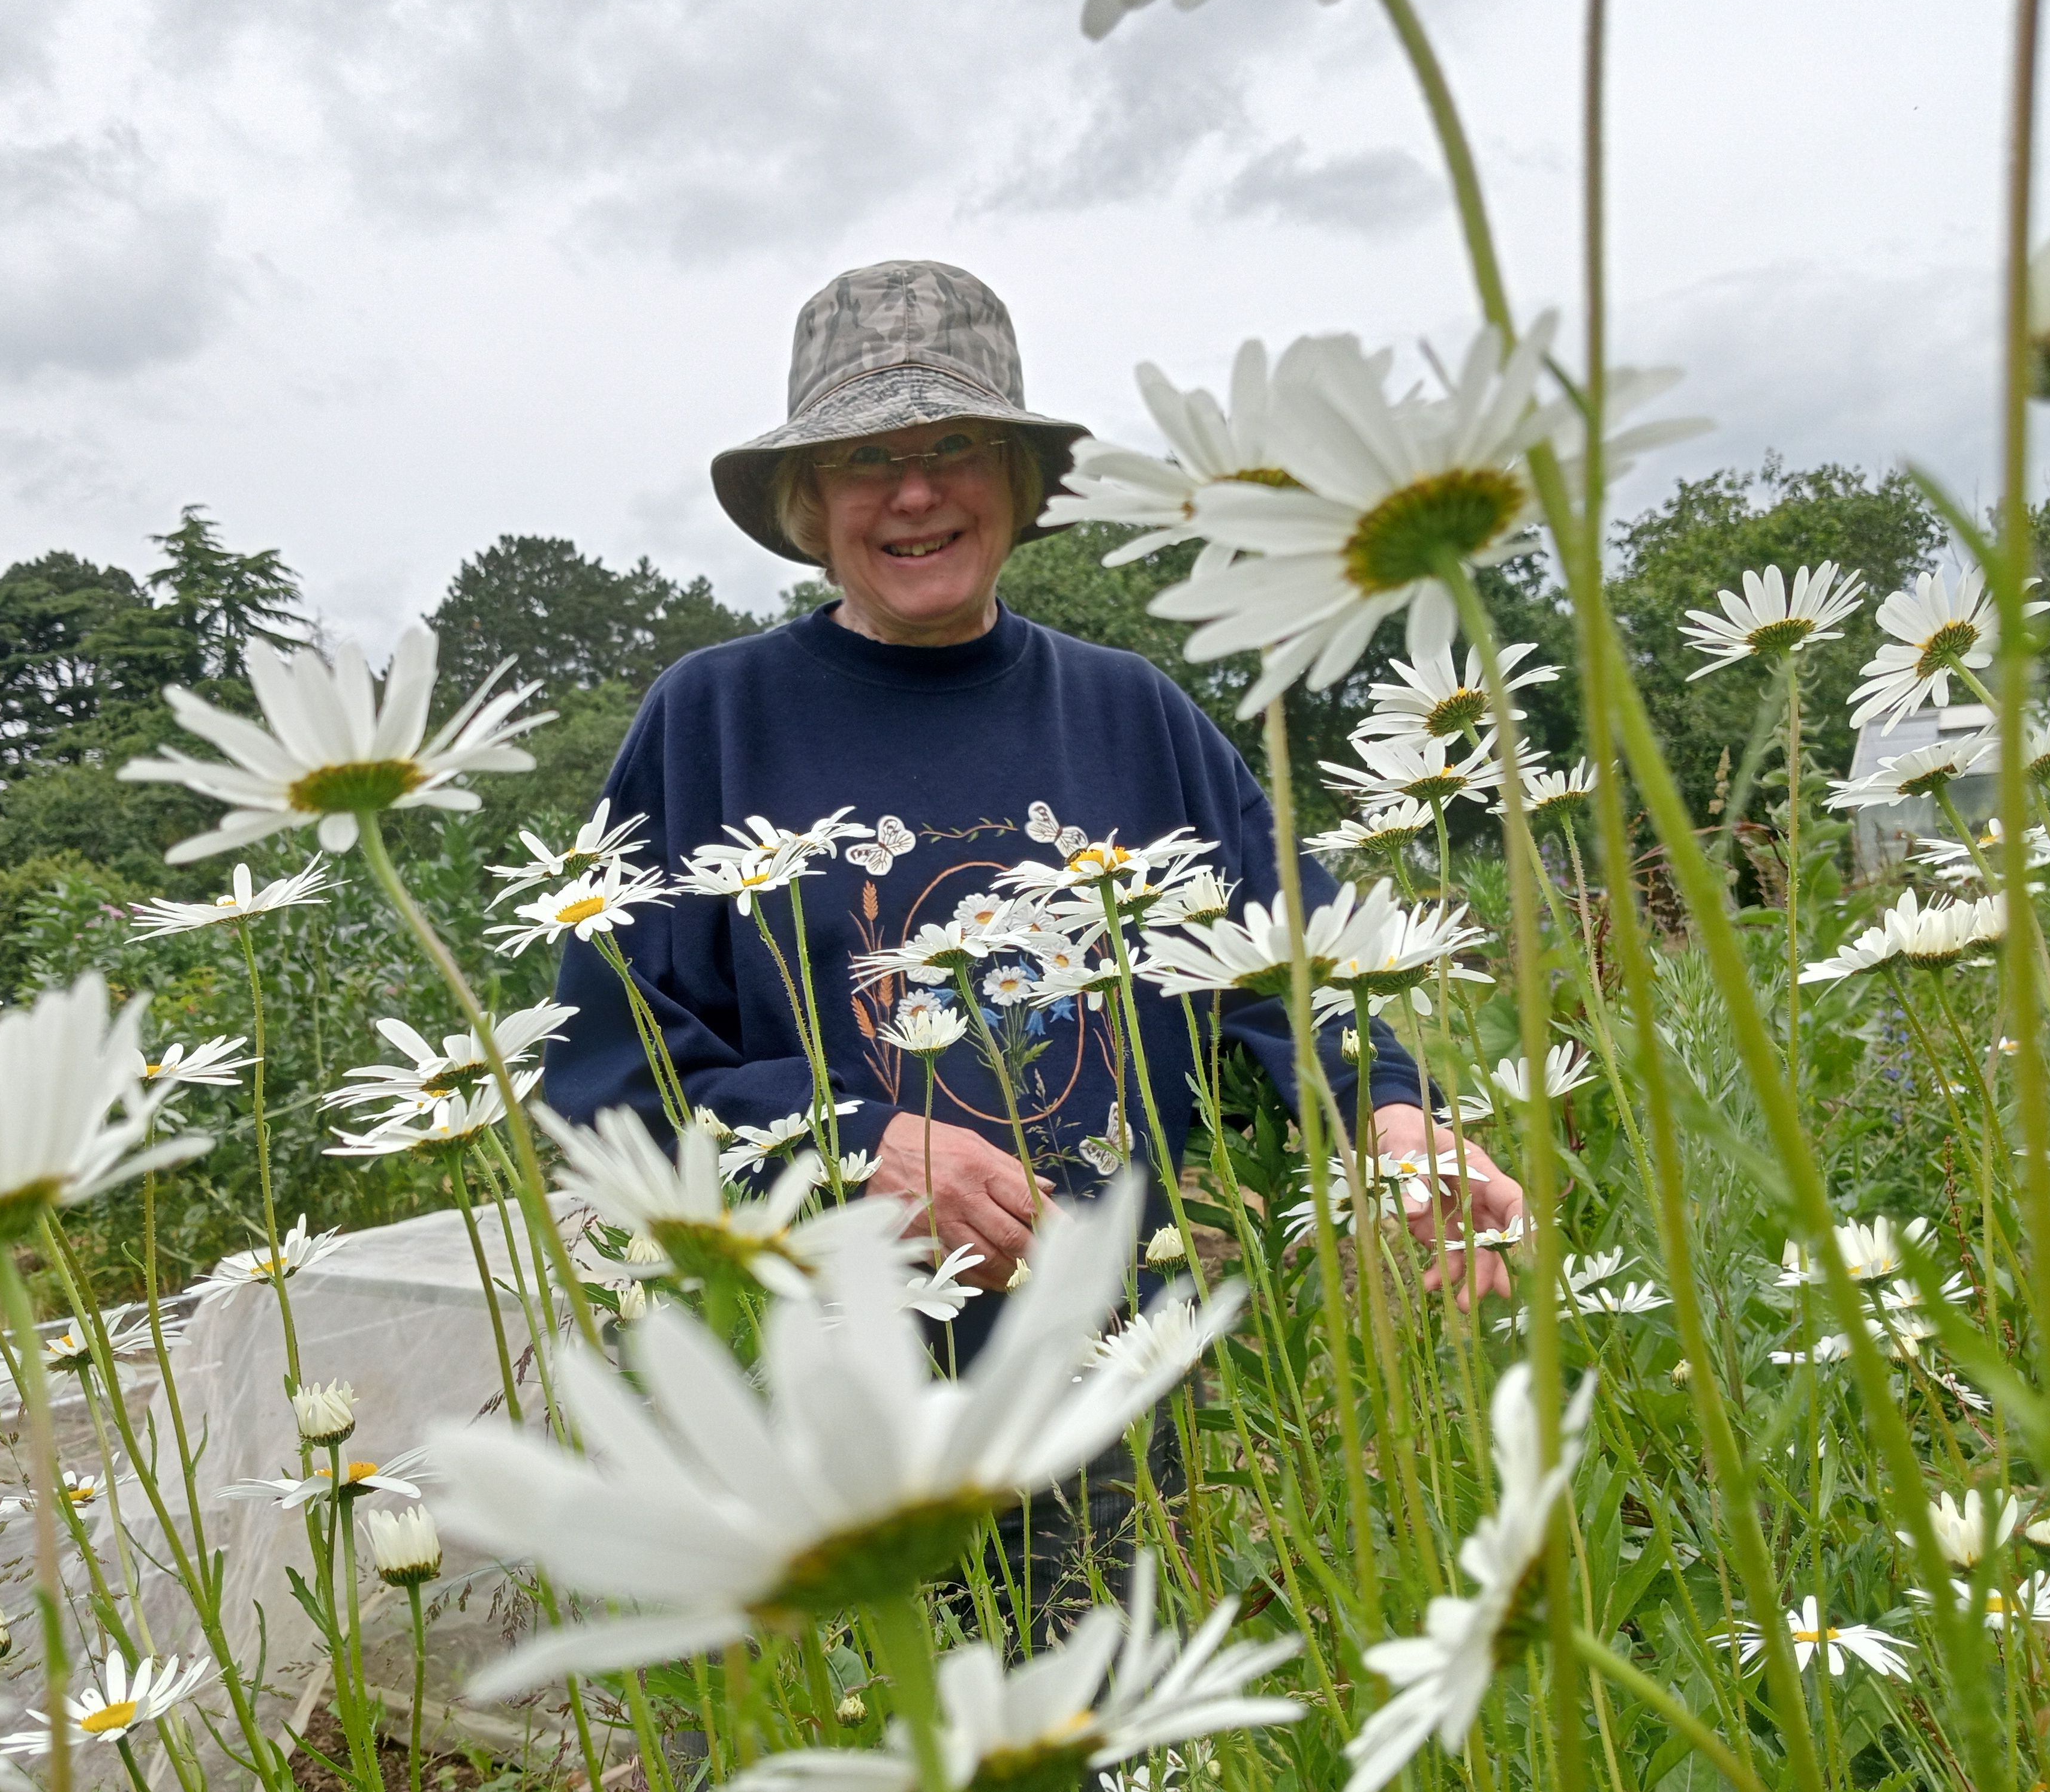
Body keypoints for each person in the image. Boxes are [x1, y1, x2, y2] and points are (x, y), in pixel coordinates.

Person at [542, 258, 1520, 1614]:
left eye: (953, 446)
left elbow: (1285, 967)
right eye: (865, 456)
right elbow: (603, 1075)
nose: (915, 489)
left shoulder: (1136, 715)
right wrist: (849, 1142)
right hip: (812, 1399)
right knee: (837, 1782)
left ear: (1017, 477)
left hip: (1114, 1383)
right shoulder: (710, 722)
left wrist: (1391, 1114)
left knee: (1103, 1762)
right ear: (809, 504)